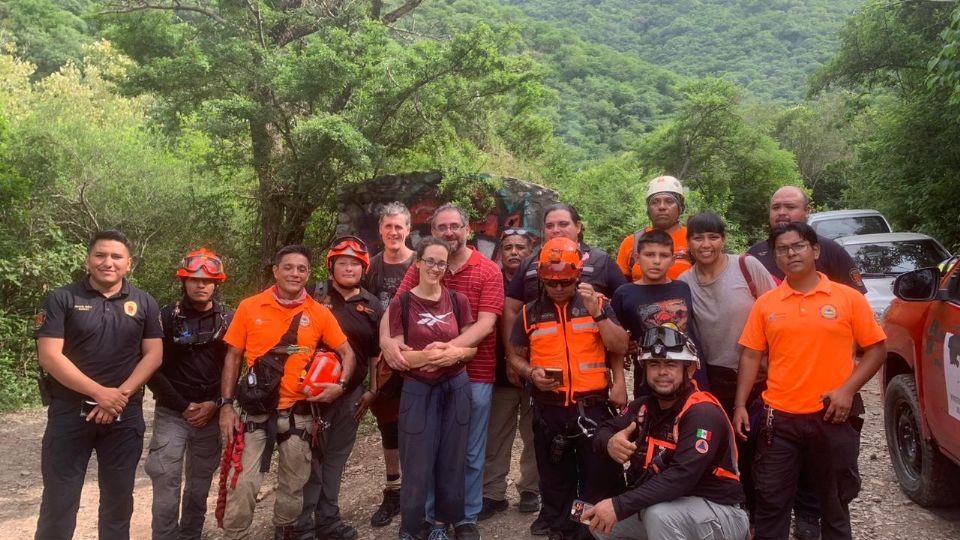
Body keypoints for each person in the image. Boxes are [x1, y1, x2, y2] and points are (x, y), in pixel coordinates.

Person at [733, 222, 887, 540]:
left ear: (815, 250)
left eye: (798, 246)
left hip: (833, 415)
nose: (791, 253)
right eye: (783, 249)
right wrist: (739, 405)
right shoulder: (767, 304)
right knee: (771, 504)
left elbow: (876, 349)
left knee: (835, 506)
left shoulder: (848, 299)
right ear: (775, 258)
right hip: (780, 421)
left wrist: (847, 390)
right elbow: (750, 355)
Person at [217, 244, 357, 540]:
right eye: (289, 267)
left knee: (294, 486)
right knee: (242, 485)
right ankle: (236, 535)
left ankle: (286, 532)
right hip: (254, 412)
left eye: (302, 269)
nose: (295, 273)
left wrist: (340, 386)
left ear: (309, 274)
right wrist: (226, 405)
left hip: (299, 413)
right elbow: (233, 356)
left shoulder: (318, 313)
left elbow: (347, 353)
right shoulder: (249, 307)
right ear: (276, 271)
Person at [382, 204, 504, 540]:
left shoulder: (487, 270)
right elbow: (396, 305)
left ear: (467, 228)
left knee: (468, 452)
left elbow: (486, 323)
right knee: (427, 451)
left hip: (472, 374)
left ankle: (465, 518)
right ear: (433, 233)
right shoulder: (423, 268)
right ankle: (432, 519)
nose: (449, 233)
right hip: (423, 379)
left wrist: (449, 353)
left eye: (455, 226)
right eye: (441, 227)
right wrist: (387, 343)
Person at [34, 230, 163, 540]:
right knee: (59, 502)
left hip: (124, 415)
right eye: (100, 255)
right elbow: (49, 357)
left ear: (129, 264)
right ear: (87, 260)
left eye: (116, 257)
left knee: (119, 504)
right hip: (70, 412)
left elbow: (154, 354)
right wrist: (99, 394)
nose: (108, 262)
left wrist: (118, 397)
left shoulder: (144, 302)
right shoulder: (61, 298)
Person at [507, 237, 628, 540]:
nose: (559, 288)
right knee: (556, 480)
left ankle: (587, 531)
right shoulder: (529, 313)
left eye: (565, 282)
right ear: (542, 277)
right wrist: (530, 373)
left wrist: (597, 313)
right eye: (552, 282)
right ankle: (561, 530)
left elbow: (619, 346)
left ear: (578, 275)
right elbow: (515, 357)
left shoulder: (597, 304)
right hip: (550, 410)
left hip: (593, 408)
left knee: (596, 477)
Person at [584, 327, 749, 540]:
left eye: (671, 364)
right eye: (654, 364)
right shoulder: (643, 407)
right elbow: (602, 429)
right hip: (671, 506)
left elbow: (683, 476)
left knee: (658, 516)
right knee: (601, 524)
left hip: (720, 511)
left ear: (688, 370)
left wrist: (619, 505)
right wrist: (609, 442)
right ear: (645, 369)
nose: (662, 372)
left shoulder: (702, 412)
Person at [293, 236, 384, 539]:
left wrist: (371, 391)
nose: (349, 268)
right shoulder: (312, 296)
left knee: (336, 456)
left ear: (364, 268)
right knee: (310, 457)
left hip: (351, 394)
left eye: (355, 263)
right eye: (342, 262)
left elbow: (375, 355)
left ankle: (328, 518)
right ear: (331, 266)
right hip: (311, 393)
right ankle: (301, 522)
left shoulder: (372, 306)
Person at [145, 248, 234, 540]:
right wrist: (183, 406)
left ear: (216, 284)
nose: (201, 285)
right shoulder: (166, 317)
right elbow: (152, 368)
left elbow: (233, 367)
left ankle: (191, 534)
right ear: (183, 281)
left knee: (199, 481)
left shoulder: (228, 319)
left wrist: (216, 403)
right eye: (194, 279)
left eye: (208, 281)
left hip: (209, 412)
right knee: (165, 477)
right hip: (173, 411)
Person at [676, 213, 776, 414]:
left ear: (723, 239)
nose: (706, 244)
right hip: (714, 378)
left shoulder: (746, 266)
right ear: (688, 242)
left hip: (760, 374)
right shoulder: (684, 282)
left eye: (713, 237)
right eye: (698, 238)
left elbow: (778, 314)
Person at [480, 229, 541, 521]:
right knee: (496, 435)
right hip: (498, 374)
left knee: (533, 434)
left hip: (536, 371)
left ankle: (530, 488)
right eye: (508, 247)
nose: (514, 252)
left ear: (531, 251)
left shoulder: (539, 280)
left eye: (520, 247)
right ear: (500, 252)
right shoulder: (491, 281)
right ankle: (492, 492)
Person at [364, 202, 416, 528]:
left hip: (416, 359)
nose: (394, 233)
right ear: (380, 230)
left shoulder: (419, 265)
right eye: (388, 227)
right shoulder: (370, 268)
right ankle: (394, 489)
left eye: (399, 227)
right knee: (389, 429)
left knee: (418, 426)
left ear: (409, 230)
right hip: (380, 361)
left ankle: (419, 489)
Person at [610, 230, 704, 399]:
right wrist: (619, 384)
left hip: (690, 374)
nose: (656, 261)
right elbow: (616, 346)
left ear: (673, 260)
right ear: (637, 258)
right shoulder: (624, 294)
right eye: (649, 255)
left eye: (664, 255)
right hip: (651, 379)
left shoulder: (683, 287)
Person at [747, 186, 866, 293]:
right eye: (776, 207)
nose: (781, 212)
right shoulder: (754, 256)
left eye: (790, 207)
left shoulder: (831, 250)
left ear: (807, 211)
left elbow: (855, 299)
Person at [615, 176, 692, 282]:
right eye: (655, 202)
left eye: (669, 201)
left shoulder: (693, 238)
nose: (662, 207)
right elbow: (620, 286)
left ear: (680, 207)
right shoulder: (631, 242)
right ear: (648, 209)